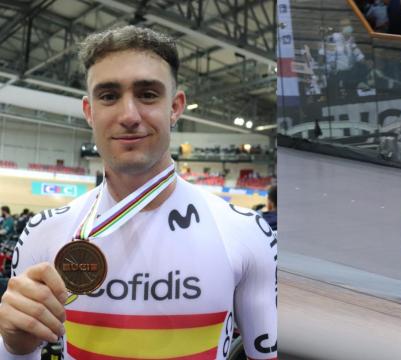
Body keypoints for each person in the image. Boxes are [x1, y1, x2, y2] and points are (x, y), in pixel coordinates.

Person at [0, 26, 277, 359]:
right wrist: (14, 346)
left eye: (147, 94)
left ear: (175, 107)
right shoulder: (42, 232)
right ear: (89, 112)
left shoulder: (248, 232)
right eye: (108, 96)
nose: (129, 115)